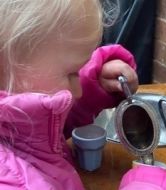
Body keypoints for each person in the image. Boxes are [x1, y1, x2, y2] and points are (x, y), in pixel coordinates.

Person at [0, 0, 138, 189]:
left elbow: (43, 134)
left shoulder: (19, 123)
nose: (78, 90)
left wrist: (94, 86)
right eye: (72, 73)